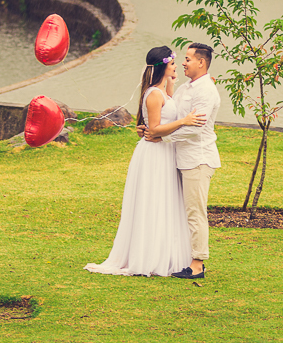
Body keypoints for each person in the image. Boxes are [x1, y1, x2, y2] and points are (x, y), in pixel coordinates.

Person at [84, 46, 204, 277]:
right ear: (162, 66)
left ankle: (164, 253)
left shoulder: (162, 91)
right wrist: (184, 121)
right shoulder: (154, 94)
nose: (177, 66)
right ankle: (148, 256)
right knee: (153, 201)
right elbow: (156, 128)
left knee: (165, 201)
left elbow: (164, 113)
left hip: (165, 151)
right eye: (173, 63)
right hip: (154, 154)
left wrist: (171, 83)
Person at [157, 42, 221, 280]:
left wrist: (162, 137)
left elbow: (195, 128)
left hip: (198, 159)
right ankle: (182, 256)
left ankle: (197, 264)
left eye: (187, 59)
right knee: (183, 212)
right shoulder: (187, 87)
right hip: (182, 158)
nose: (183, 63)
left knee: (195, 212)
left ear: (201, 62)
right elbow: (173, 110)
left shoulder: (206, 91)